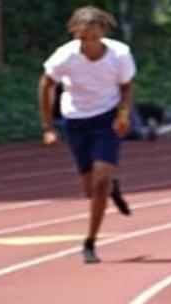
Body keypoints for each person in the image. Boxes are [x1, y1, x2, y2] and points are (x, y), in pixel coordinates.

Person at [38, 5, 135, 264]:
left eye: (94, 37)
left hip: (107, 118)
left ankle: (90, 242)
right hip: (76, 120)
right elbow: (46, 84)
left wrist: (123, 116)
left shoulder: (119, 53)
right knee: (90, 189)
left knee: (100, 180)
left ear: (103, 32)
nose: (89, 44)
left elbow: (126, 86)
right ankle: (110, 187)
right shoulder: (65, 56)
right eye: (83, 39)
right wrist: (48, 127)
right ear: (74, 34)